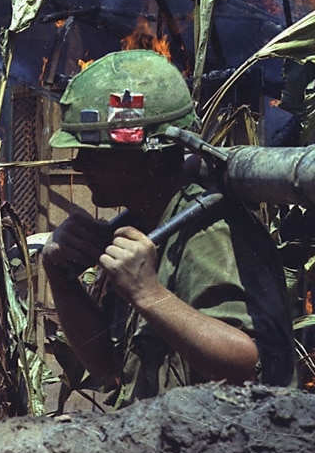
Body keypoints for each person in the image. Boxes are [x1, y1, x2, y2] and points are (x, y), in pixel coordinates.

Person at [40, 50, 295, 403]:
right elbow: (105, 366)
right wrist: (60, 276)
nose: (82, 164)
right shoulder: (147, 225)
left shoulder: (209, 231)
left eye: (97, 151)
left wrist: (149, 294)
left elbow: (248, 365)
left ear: (152, 155)